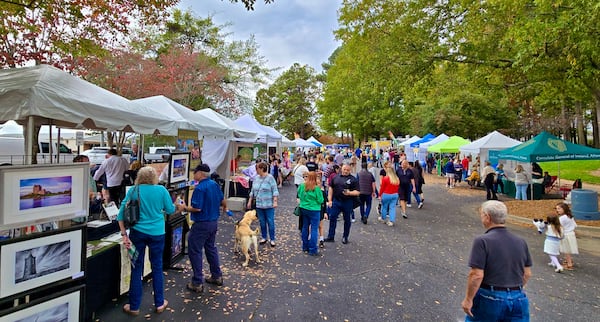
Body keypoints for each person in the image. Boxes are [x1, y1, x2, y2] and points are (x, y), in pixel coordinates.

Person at [118, 166, 185, 316]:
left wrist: (124, 235)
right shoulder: (161, 190)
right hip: (157, 233)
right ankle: (160, 303)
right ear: (154, 177)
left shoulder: (134, 191)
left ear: (139, 177)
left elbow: (120, 214)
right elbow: (169, 210)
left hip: (137, 233)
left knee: (136, 268)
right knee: (157, 267)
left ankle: (134, 306)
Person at [461, 200, 532, 321]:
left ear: (487, 217)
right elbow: (527, 273)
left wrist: (468, 299)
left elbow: (476, 275)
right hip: (518, 297)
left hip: (490, 296)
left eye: (482, 215)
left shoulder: (482, 241)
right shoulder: (520, 241)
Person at [186, 164, 229, 293]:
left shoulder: (199, 188)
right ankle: (217, 275)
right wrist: (224, 209)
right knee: (211, 248)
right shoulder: (214, 184)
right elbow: (223, 200)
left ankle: (197, 282)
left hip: (201, 223)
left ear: (200, 173)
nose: (194, 175)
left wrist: (184, 208)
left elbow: (197, 208)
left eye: (195, 172)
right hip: (213, 222)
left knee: (195, 250)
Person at [325, 164, 360, 244]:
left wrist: (350, 193)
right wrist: (329, 200)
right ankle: (331, 236)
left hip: (347, 202)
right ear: (341, 169)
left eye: (348, 170)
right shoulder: (335, 177)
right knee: (332, 218)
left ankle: (345, 237)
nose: (346, 171)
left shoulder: (353, 179)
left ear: (350, 170)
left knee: (347, 220)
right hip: (336, 201)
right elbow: (331, 188)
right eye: (344, 169)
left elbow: (358, 192)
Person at [247, 162, 279, 247]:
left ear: (261, 169)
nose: (256, 170)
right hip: (259, 204)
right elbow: (253, 190)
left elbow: (275, 190)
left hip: (269, 204)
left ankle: (272, 239)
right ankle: (264, 237)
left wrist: (275, 201)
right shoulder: (256, 178)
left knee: (270, 222)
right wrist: (250, 201)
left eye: (257, 168)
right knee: (262, 222)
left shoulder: (270, 178)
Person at [298, 172, 325, 256]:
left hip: (304, 208)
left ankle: (305, 246)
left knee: (305, 227)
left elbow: (300, 196)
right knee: (314, 229)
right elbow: (320, 200)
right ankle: (312, 249)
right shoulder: (316, 188)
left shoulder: (302, 186)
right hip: (314, 209)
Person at [556, 202, 578, 270]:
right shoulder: (570, 216)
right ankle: (568, 261)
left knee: (566, 250)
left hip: (566, 235)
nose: (557, 210)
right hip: (571, 234)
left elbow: (558, 226)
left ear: (564, 209)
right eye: (557, 209)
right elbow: (574, 225)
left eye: (559, 208)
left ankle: (569, 264)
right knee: (568, 249)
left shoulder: (562, 218)